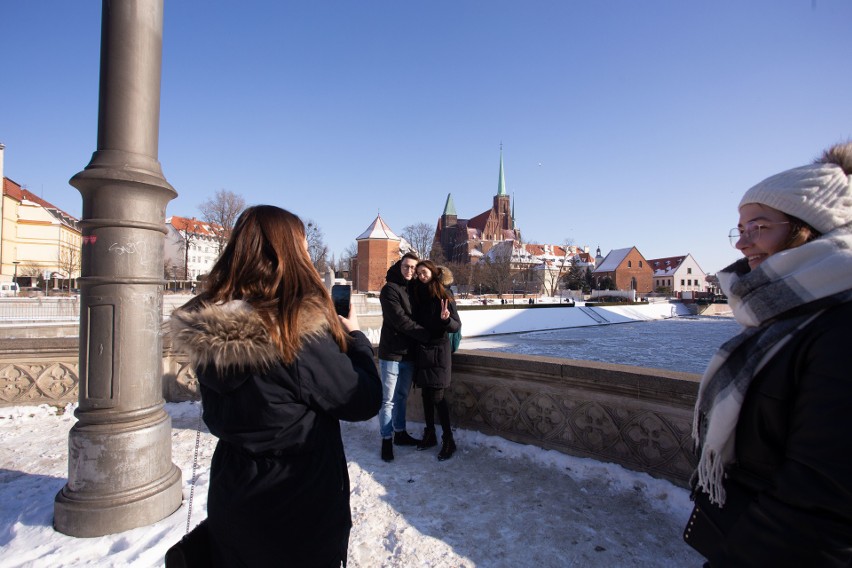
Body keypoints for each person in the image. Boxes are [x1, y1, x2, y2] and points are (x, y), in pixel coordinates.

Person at [168, 205, 381, 567]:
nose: (310, 254)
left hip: (234, 498)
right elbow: (362, 400)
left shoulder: (209, 331)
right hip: (296, 510)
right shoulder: (292, 335)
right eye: (304, 245)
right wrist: (356, 339)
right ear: (286, 253)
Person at [685, 142, 852, 566]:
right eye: (739, 230)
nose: (742, 244)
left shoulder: (839, 323)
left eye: (757, 227)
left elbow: (818, 504)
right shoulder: (784, 309)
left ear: (808, 229)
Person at [377, 252, 432, 462]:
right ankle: (386, 439)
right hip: (391, 353)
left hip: (409, 354)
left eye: (413, 268)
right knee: (388, 400)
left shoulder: (415, 289)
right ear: (400, 266)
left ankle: (400, 433)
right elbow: (400, 320)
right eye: (406, 266)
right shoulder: (389, 289)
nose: (410, 271)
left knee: (401, 397)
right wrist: (426, 334)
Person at [411, 260, 462, 461]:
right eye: (418, 273)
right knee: (425, 394)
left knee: (438, 397)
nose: (421, 276)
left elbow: (456, 326)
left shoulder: (444, 294)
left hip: (439, 351)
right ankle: (430, 433)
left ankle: (449, 440)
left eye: (424, 272)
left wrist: (446, 319)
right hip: (422, 350)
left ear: (432, 273)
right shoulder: (417, 293)